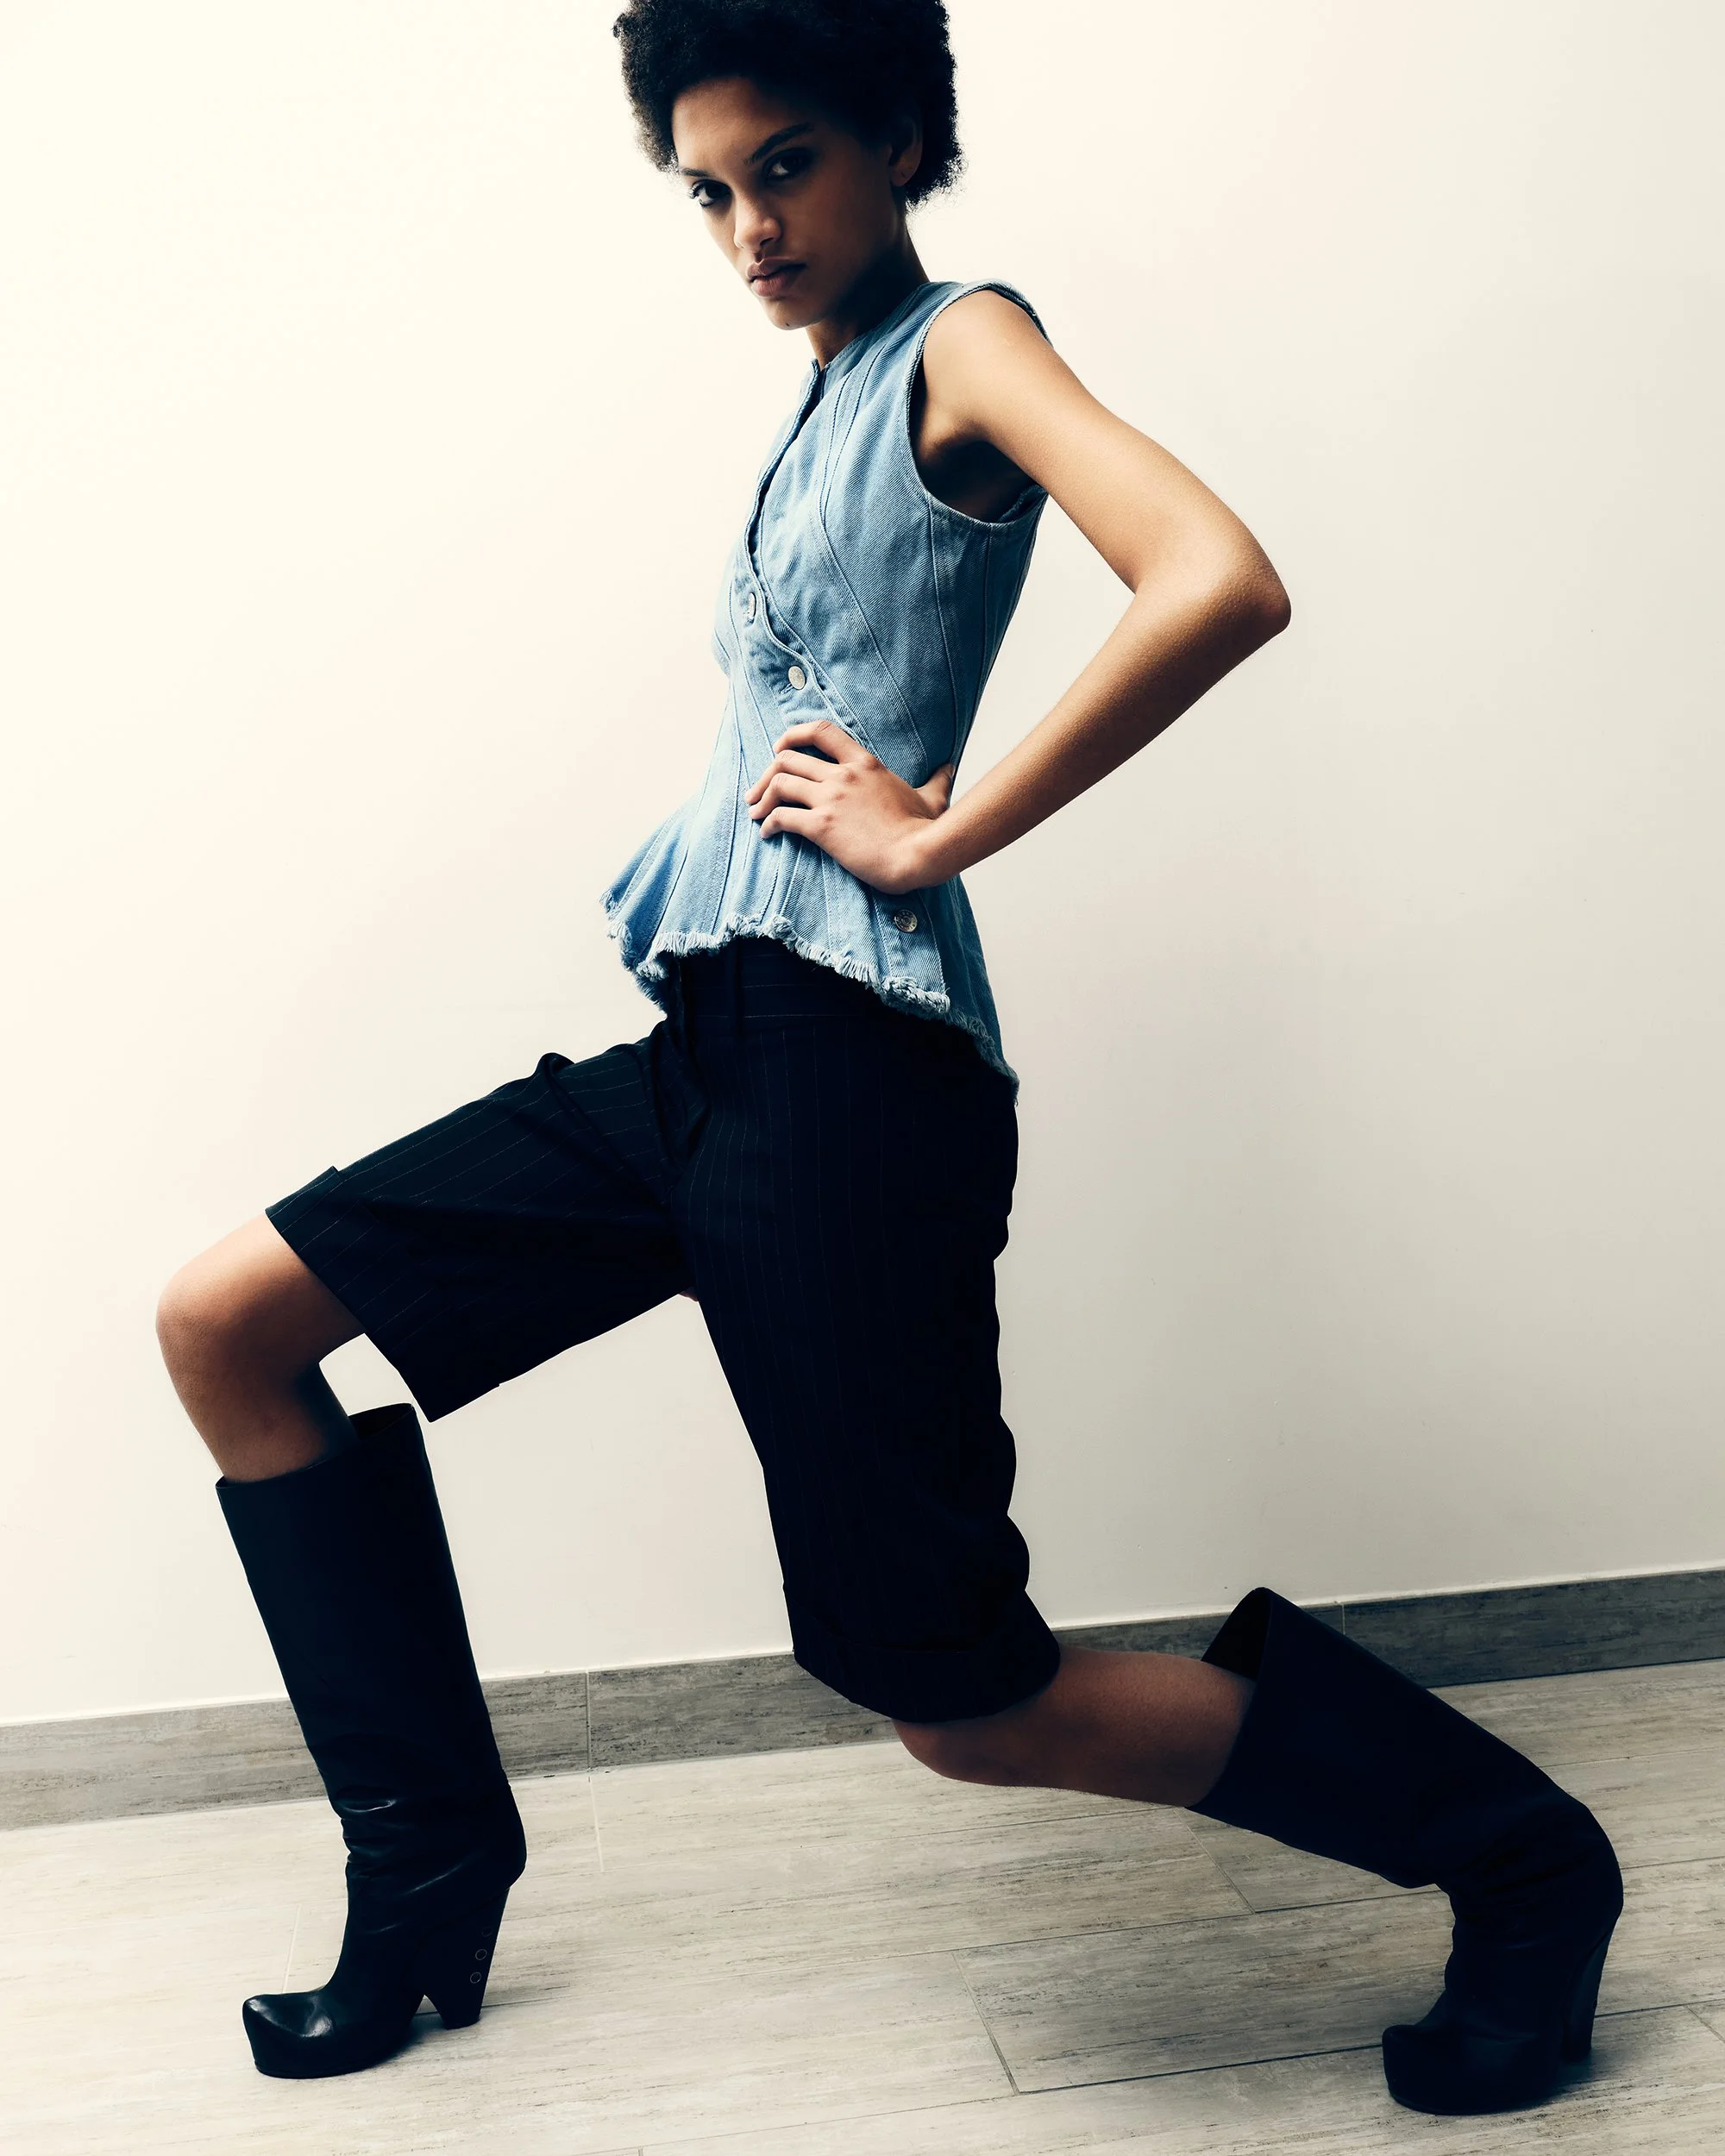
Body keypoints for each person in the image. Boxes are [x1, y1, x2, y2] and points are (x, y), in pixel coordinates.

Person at [154, 0, 1621, 2115]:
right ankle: (429, 1871)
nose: (749, 226)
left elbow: (1215, 576)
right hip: (707, 1050)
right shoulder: (827, 387)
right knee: (227, 1321)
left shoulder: (965, 342)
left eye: (788, 166)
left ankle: (1523, 1858)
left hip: (850, 1080)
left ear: (902, 142)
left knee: (962, 1703)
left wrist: (939, 828)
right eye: (707, 190)